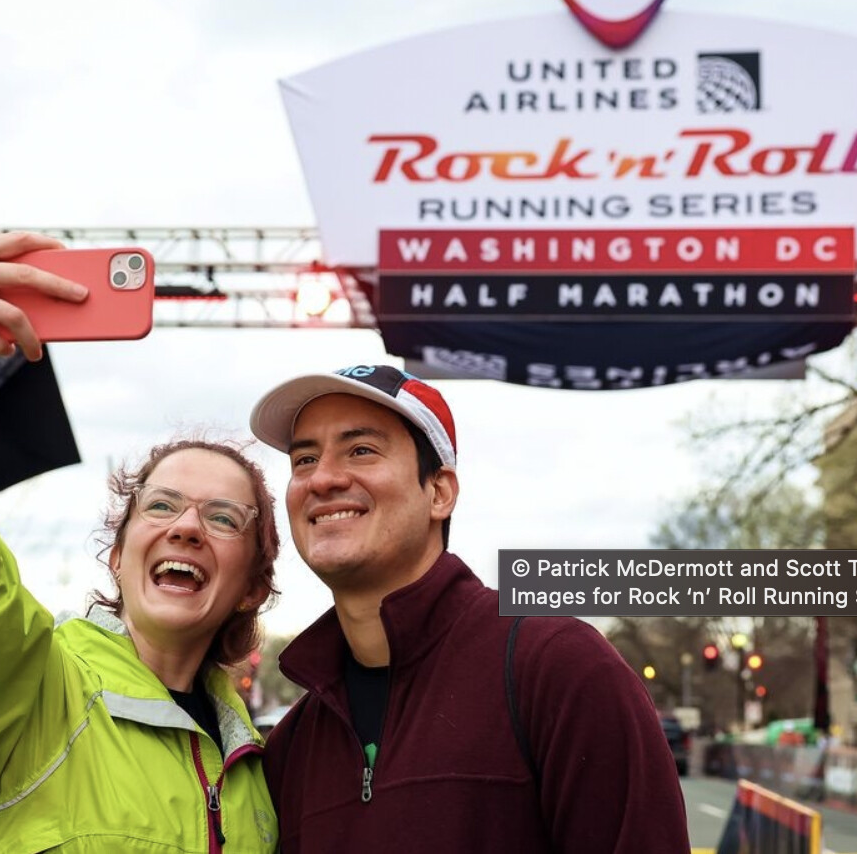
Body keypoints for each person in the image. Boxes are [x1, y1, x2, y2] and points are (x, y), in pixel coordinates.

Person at [0, 232, 280, 853]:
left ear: (252, 587)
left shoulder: (260, 768)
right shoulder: (31, 701)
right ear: (118, 555)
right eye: (161, 505)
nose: (185, 526)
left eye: (222, 517)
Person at [248, 364, 691, 852]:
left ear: (439, 492)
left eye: (361, 450)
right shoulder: (292, 747)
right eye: (305, 459)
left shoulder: (559, 668)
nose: (323, 479)